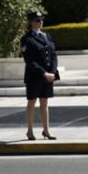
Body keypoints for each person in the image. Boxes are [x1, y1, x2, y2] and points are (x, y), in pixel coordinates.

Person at [21, 11, 59, 141]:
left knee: (44, 102)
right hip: (34, 76)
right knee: (32, 102)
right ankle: (30, 131)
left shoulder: (46, 36)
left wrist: (53, 72)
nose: (40, 22)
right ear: (31, 22)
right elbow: (29, 61)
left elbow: (53, 55)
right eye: (37, 20)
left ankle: (46, 130)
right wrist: (44, 73)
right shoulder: (26, 39)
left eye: (41, 20)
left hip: (48, 75)